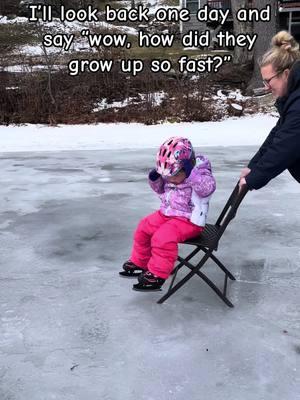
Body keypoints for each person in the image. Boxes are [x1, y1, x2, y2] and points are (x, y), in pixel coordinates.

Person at [119, 136, 216, 291]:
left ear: (188, 167)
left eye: (175, 175)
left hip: (189, 220)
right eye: (167, 176)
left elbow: (207, 189)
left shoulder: (200, 173)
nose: (171, 180)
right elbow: (160, 189)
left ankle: (158, 274)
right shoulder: (170, 174)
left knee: (162, 238)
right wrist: (155, 179)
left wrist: (192, 176)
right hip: (167, 213)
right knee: (143, 227)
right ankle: (141, 262)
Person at [239, 31, 300, 191]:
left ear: (286, 74)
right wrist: (253, 167)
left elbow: (285, 147)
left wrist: (254, 179)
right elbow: (277, 135)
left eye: (268, 81)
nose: (267, 87)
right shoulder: (292, 98)